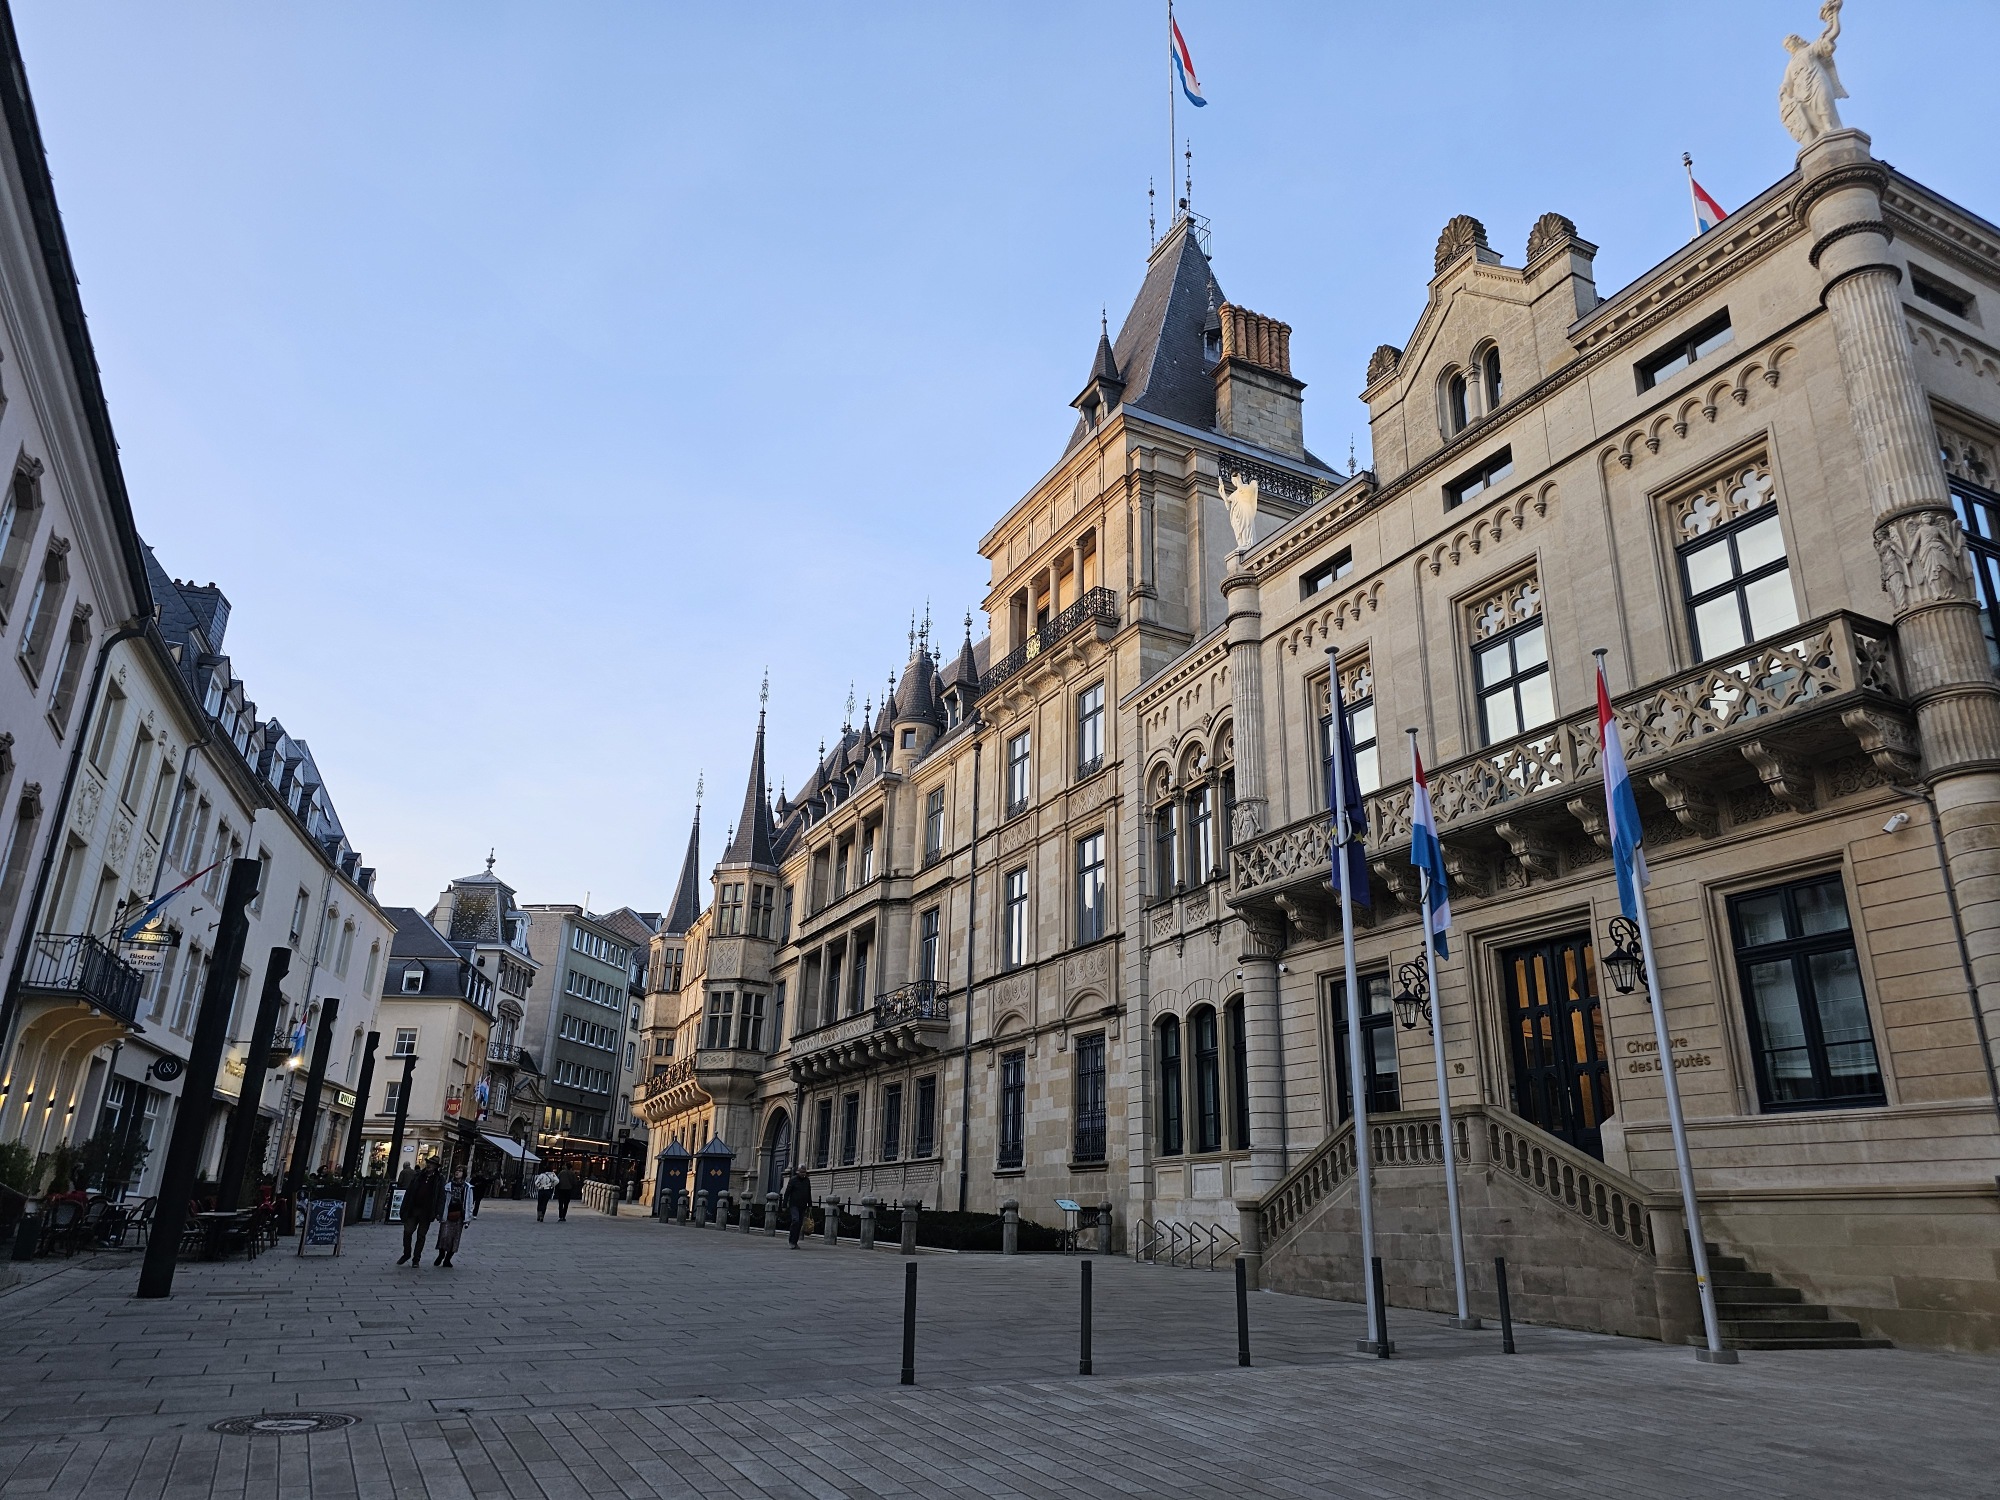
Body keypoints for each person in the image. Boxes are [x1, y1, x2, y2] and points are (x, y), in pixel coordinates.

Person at [398, 1158, 444, 1266]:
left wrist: (438, 1212)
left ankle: (416, 1259)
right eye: (428, 1163)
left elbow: (441, 1196)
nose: (429, 1165)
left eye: (432, 1164)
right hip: (413, 1208)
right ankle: (407, 1253)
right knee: (408, 1231)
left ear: (436, 1167)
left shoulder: (439, 1179)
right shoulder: (418, 1175)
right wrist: (404, 1207)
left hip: (427, 1211)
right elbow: (409, 1192)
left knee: (421, 1235)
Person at [434, 1166, 475, 1268]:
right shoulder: (448, 1186)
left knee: (455, 1238)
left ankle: (448, 1259)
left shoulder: (467, 1187)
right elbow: (443, 1200)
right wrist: (439, 1212)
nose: (457, 1172)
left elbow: (469, 1203)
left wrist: (468, 1218)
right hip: (448, 1214)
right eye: (456, 1170)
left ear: (463, 1173)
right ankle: (441, 1254)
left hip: (459, 1216)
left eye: (460, 1171)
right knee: (444, 1236)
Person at [783, 1166, 813, 1249]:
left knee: (799, 1224)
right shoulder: (793, 1180)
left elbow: (808, 1193)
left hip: (803, 1205)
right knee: (795, 1220)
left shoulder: (807, 1181)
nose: (803, 1174)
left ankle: (795, 1242)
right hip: (794, 1204)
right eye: (801, 1172)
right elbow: (787, 1193)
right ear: (797, 1172)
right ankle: (791, 1241)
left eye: (804, 1172)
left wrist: (810, 1205)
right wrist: (784, 1205)